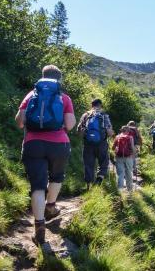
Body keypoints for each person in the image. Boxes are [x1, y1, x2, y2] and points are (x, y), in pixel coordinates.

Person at [15, 65, 76, 245]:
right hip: (59, 144)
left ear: (42, 76)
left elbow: (19, 122)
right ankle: (51, 206)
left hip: (33, 144)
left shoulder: (31, 95)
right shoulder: (64, 97)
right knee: (57, 176)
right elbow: (71, 124)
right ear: (59, 79)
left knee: (37, 186)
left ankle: (39, 226)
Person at [77, 99, 113, 190]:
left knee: (88, 164)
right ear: (100, 105)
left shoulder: (85, 115)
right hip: (102, 143)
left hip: (88, 144)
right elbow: (109, 132)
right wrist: (109, 134)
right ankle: (100, 177)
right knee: (104, 162)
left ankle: (88, 186)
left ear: (91, 105)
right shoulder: (104, 115)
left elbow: (79, 130)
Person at [112, 126, 135, 192]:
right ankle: (130, 190)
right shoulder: (130, 137)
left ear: (121, 130)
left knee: (120, 173)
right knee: (129, 173)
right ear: (128, 131)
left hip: (119, 157)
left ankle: (120, 190)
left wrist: (115, 149)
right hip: (128, 157)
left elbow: (113, 148)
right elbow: (133, 148)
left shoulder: (117, 137)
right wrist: (134, 155)